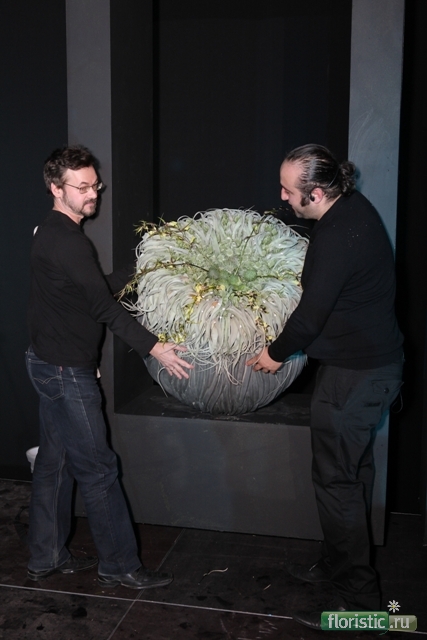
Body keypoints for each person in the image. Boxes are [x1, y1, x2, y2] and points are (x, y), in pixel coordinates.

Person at [247, 144, 403, 628]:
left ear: (315, 193)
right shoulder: (351, 208)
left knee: (337, 484)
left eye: (288, 190)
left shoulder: (337, 236)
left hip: (355, 378)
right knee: (352, 476)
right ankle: (338, 562)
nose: (282, 196)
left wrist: (273, 355)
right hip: (371, 370)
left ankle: (360, 603)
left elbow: (309, 317)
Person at [26, 144, 193, 589]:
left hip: (49, 363)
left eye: (95, 185)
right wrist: (155, 348)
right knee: (98, 469)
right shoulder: (68, 240)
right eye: (82, 187)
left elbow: (87, 291)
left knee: (54, 463)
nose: (92, 194)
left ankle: (45, 555)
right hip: (64, 371)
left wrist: (141, 268)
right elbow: (103, 307)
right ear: (56, 188)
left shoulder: (51, 232)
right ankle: (119, 566)